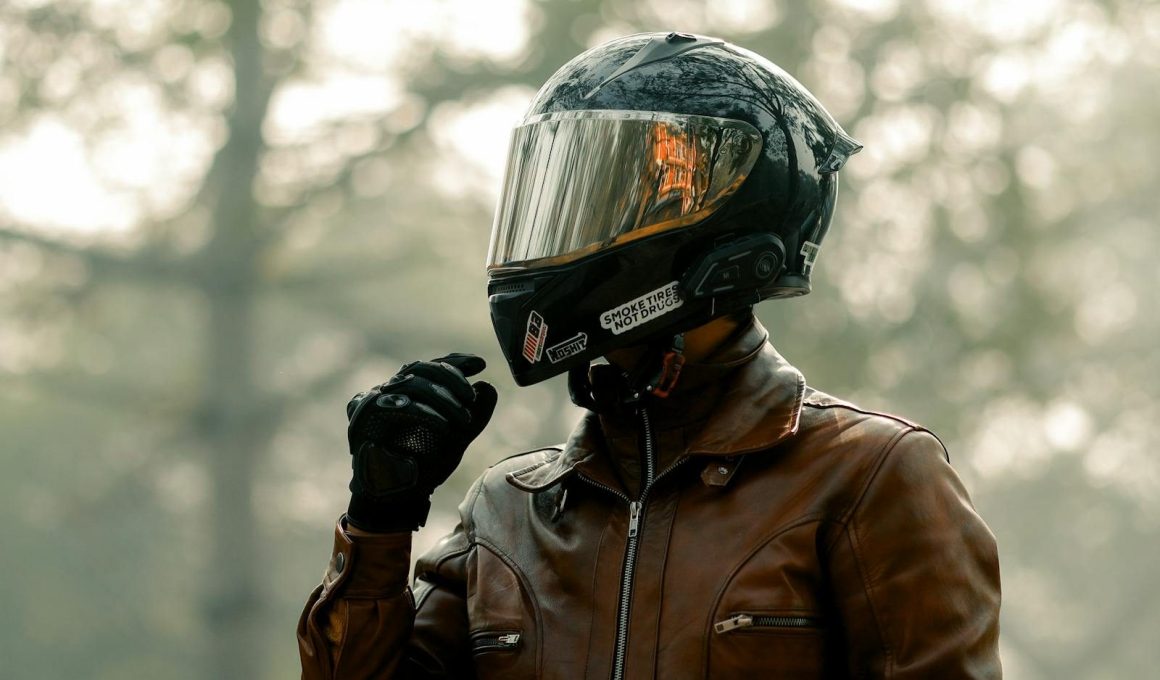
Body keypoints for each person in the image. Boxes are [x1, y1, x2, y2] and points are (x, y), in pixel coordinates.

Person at [297, 32, 1002, 679]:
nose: (563, 233)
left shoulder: (868, 475)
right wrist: (379, 520)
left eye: (607, 201)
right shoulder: (507, 512)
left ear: (721, 217)